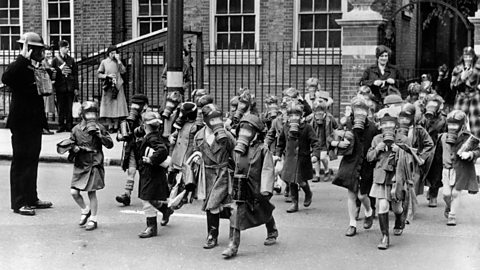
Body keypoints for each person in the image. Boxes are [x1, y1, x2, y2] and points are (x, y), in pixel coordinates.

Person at [2, 32, 53, 216]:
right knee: (21, 162)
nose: (42, 53)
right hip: (21, 123)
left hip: (34, 123)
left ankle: (31, 198)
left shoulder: (36, 68)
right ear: (29, 50)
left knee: (32, 161)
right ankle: (19, 202)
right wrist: (22, 58)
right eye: (39, 50)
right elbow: (6, 78)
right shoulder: (19, 67)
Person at [222, 114, 278, 258]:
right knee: (236, 212)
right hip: (240, 185)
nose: (244, 134)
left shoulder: (262, 149)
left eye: (248, 131)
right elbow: (233, 164)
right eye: (242, 130)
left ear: (256, 133)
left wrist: (265, 188)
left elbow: (267, 169)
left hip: (256, 186)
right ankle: (233, 246)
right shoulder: (238, 147)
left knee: (263, 209)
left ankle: (271, 229)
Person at [331, 95, 378, 236]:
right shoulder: (347, 124)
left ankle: (369, 211)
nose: (360, 113)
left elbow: (377, 143)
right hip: (351, 162)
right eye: (357, 109)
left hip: (366, 164)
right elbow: (332, 136)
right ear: (352, 110)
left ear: (367, 111)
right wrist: (339, 142)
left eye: (362, 109)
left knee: (363, 195)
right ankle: (352, 224)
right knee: (351, 195)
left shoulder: (373, 127)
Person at [192, 104, 236, 249]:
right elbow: (194, 153)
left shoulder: (227, 136)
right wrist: (196, 160)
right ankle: (219, 232)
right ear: (205, 121)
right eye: (212, 120)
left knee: (213, 205)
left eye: (219, 119)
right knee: (216, 205)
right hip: (207, 175)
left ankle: (212, 236)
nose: (216, 123)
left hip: (222, 173)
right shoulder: (199, 136)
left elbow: (235, 154)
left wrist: (238, 173)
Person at [68, 101, 113, 230]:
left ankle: (93, 218)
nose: (91, 116)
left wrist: (100, 135)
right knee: (74, 192)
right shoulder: (76, 129)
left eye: (93, 113)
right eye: (88, 113)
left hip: (94, 162)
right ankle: (85, 210)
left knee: (91, 192)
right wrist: (74, 148)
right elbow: (70, 144)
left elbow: (110, 144)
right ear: (82, 114)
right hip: (81, 163)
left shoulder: (100, 127)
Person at [275, 100, 321, 213]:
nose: (294, 117)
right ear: (288, 117)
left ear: (301, 116)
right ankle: (294, 203)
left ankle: (308, 192)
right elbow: (280, 142)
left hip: (302, 158)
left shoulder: (307, 127)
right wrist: (278, 155)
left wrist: (315, 155)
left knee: (301, 181)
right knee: (291, 181)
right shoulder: (286, 127)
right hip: (290, 158)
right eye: (291, 115)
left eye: (297, 115)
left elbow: (315, 142)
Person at [437, 110, 479, 226]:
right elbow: (437, 154)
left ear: (462, 125)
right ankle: (449, 206)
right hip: (446, 169)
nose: (452, 127)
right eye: (450, 124)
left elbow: (478, 150)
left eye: (455, 124)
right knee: (446, 194)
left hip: (461, 169)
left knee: (455, 193)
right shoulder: (443, 137)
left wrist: (470, 154)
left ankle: (452, 215)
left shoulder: (468, 138)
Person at [137, 112, 174, 238]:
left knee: (147, 198)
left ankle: (152, 227)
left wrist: (151, 160)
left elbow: (162, 150)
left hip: (151, 172)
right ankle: (165, 210)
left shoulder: (152, 138)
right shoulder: (153, 136)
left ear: (145, 125)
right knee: (149, 197)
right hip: (152, 172)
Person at [115, 94, 149, 206]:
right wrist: (122, 134)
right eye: (133, 105)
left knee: (146, 173)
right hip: (133, 148)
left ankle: (148, 195)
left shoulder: (149, 117)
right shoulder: (130, 119)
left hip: (146, 149)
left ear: (145, 106)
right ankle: (127, 194)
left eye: (138, 105)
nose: (135, 108)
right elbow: (121, 134)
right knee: (131, 171)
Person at [97, 45, 129, 133]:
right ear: (108, 54)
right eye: (112, 53)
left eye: (115, 53)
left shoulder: (119, 62)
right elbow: (99, 74)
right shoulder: (104, 62)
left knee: (117, 106)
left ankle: (116, 125)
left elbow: (123, 71)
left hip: (117, 85)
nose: (113, 55)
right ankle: (110, 125)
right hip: (108, 85)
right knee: (108, 106)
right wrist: (107, 76)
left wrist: (119, 61)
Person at [51, 40, 79, 133]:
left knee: (69, 107)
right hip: (60, 86)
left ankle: (69, 125)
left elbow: (75, 74)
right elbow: (53, 73)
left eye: (68, 47)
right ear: (61, 48)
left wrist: (76, 87)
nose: (68, 49)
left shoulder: (71, 60)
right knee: (60, 107)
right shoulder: (55, 60)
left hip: (70, 87)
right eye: (66, 47)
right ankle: (60, 125)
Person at [309, 99, 337, 182]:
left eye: (321, 110)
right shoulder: (312, 118)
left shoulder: (329, 117)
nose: (319, 113)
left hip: (325, 142)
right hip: (315, 141)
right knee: (315, 158)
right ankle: (317, 175)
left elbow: (336, 126)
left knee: (323, 158)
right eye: (317, 111)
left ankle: (327, 171)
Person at [41, 48, 56, 135]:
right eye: (47, 53)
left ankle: (45, 127)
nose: (49, 55)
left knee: (46, 108)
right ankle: (44, 127)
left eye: (50, 53)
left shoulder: (48, 62)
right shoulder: (43, 62)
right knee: (44, 107)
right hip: (45, 88)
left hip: (48, 87)